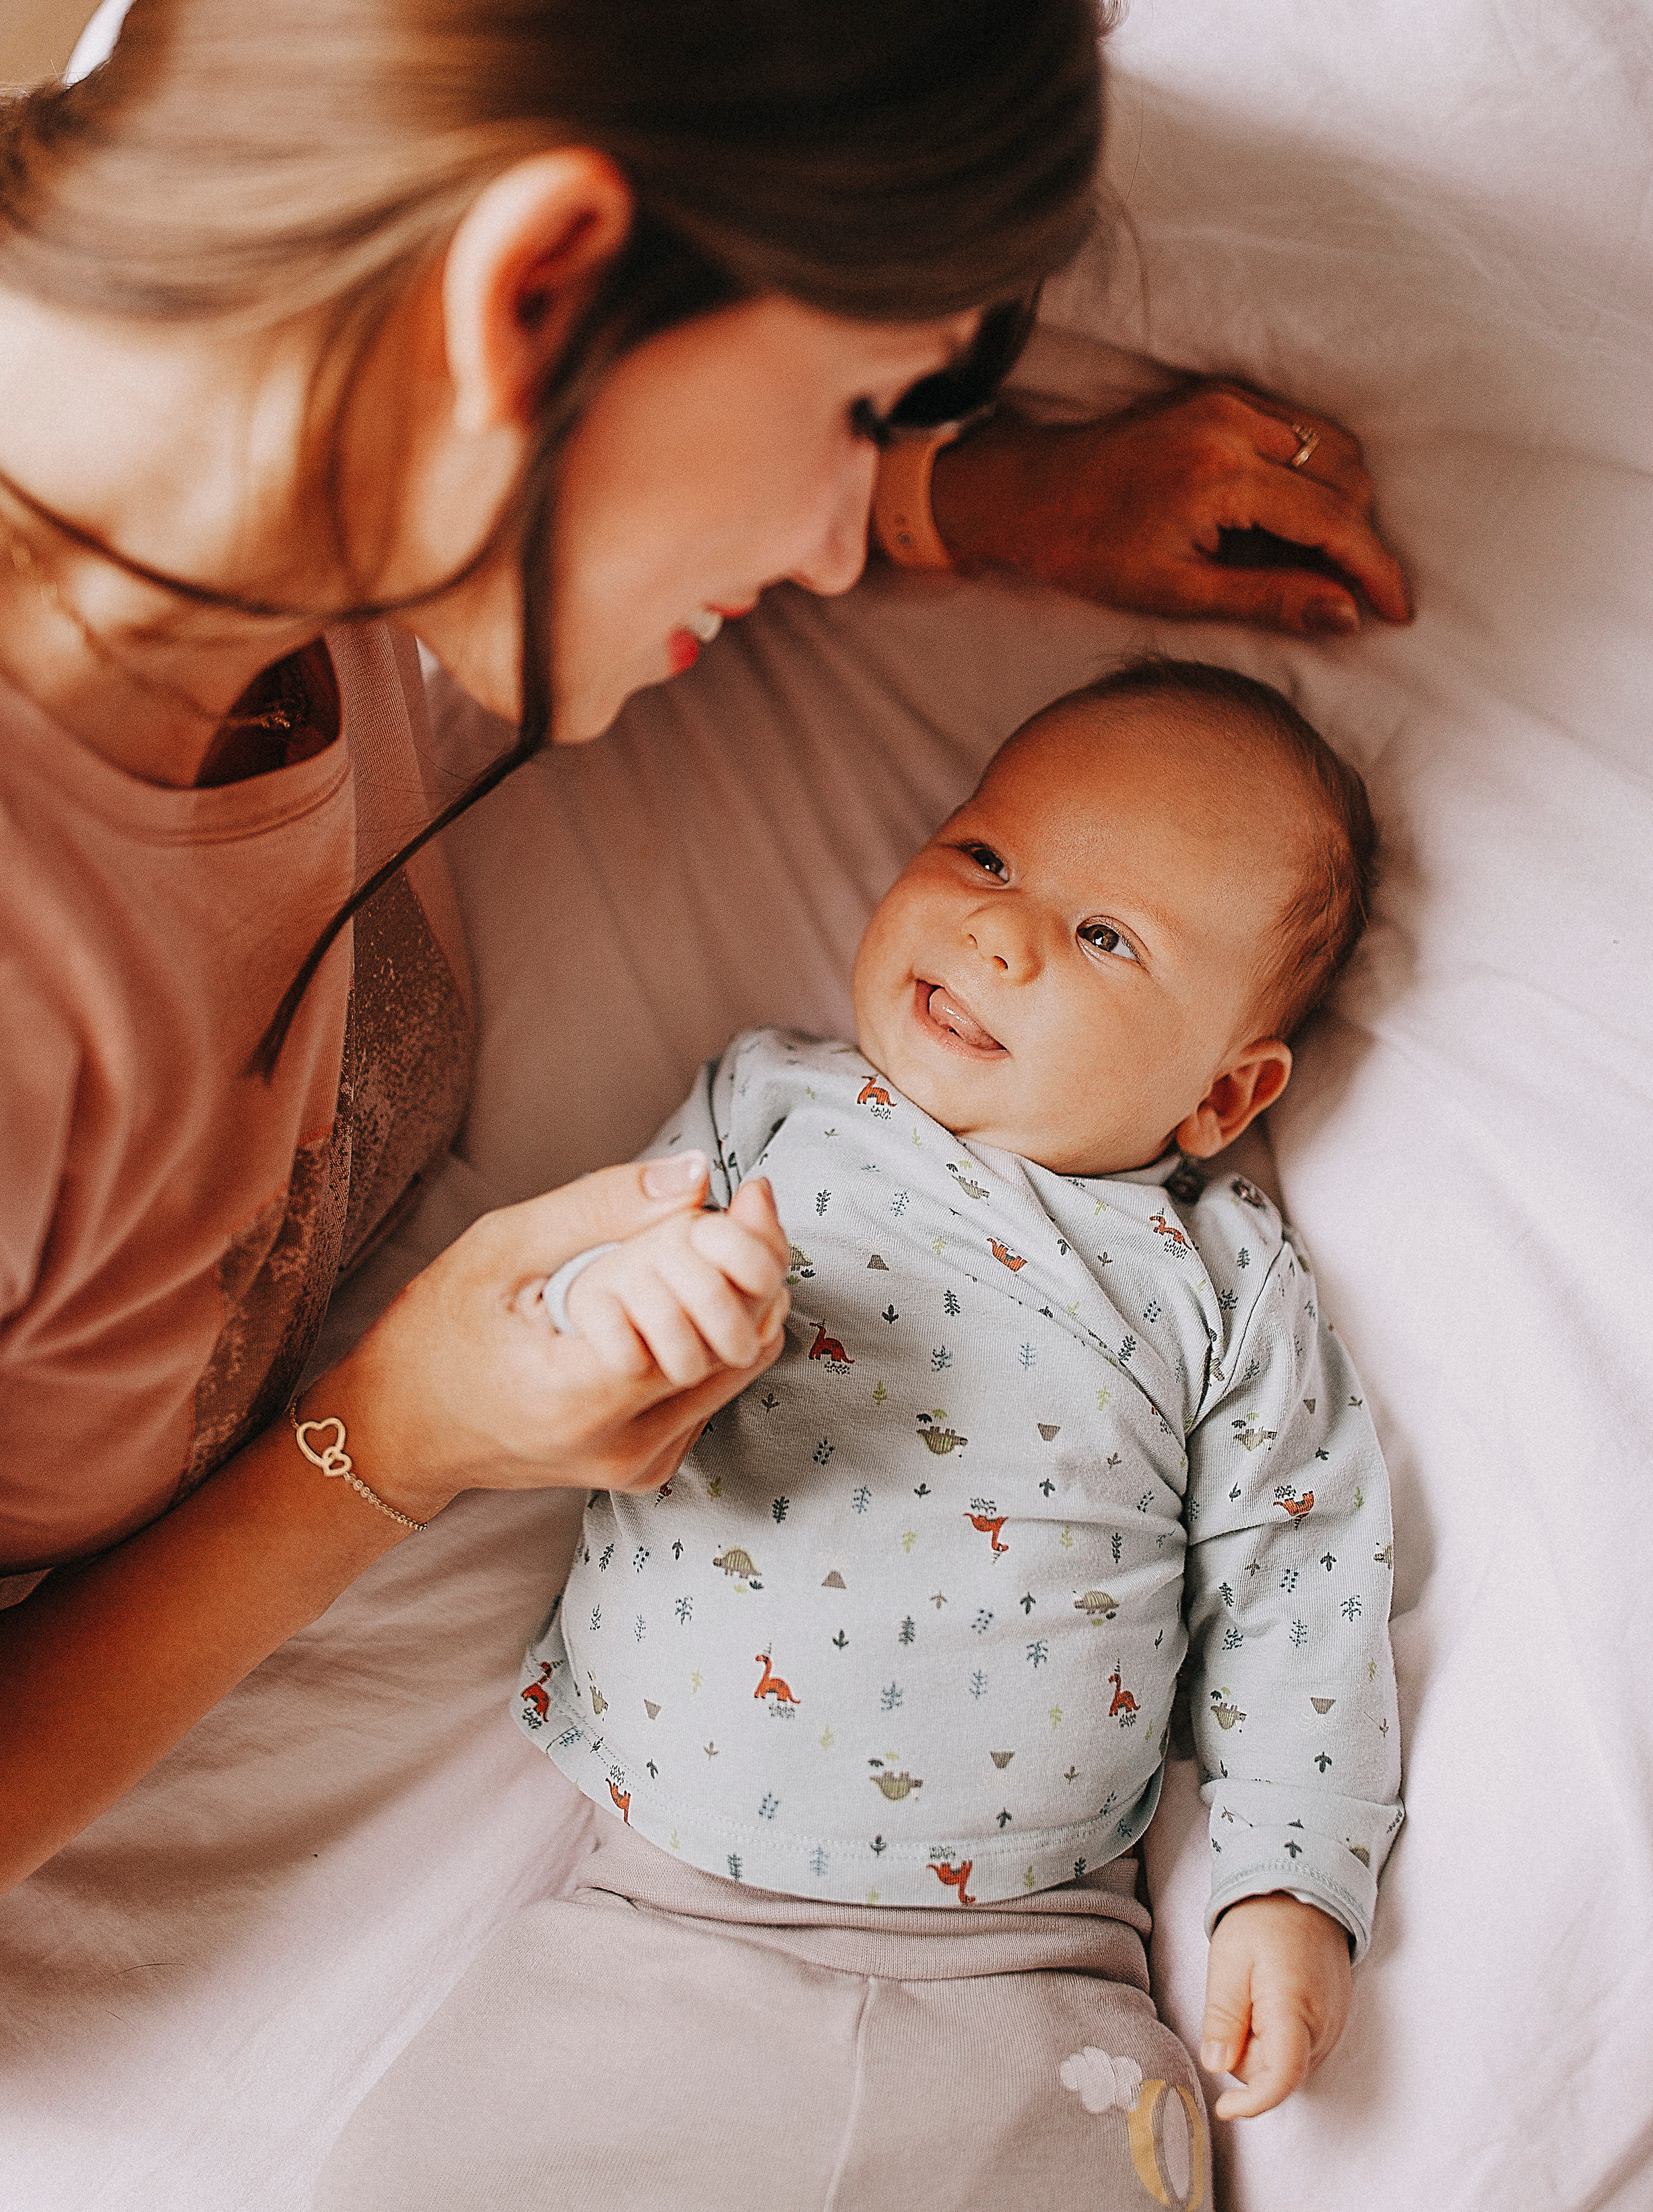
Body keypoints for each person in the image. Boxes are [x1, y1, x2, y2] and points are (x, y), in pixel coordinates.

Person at [0, 0, 1408, 1928]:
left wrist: (977, 496)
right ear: (534, 291)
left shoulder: (233, 395)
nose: (832, 540)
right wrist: (389, 1438)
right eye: (848, 405)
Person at [313, 661, 1402, 2212]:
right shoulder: (767, 1112)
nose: (999, 929)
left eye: (1103, 937)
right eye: (983, 854)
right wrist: (629, 1305)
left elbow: (1304, 1590)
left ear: (1224, 1094)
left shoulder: (1216, 1283)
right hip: (643, 1937)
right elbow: (549, 1302)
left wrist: (1295, 1882)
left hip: (1025, 1981)